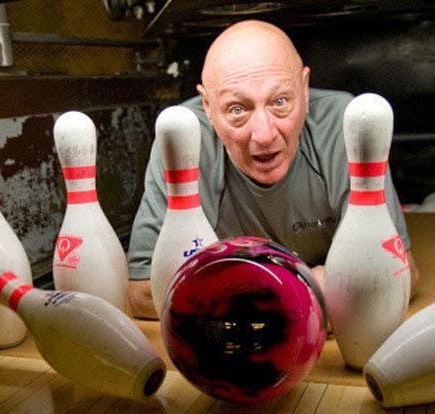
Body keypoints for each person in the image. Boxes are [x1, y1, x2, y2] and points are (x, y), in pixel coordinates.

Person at [127, 19, 419, 319]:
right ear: (208, 106)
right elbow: (143, 291)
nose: (264, 135)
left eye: (280, 102)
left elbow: (400, 273)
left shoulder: (349, 125)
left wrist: (231, 292)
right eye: (237, 109)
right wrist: (310, 285)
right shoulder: (181, 137)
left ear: (304, 91)